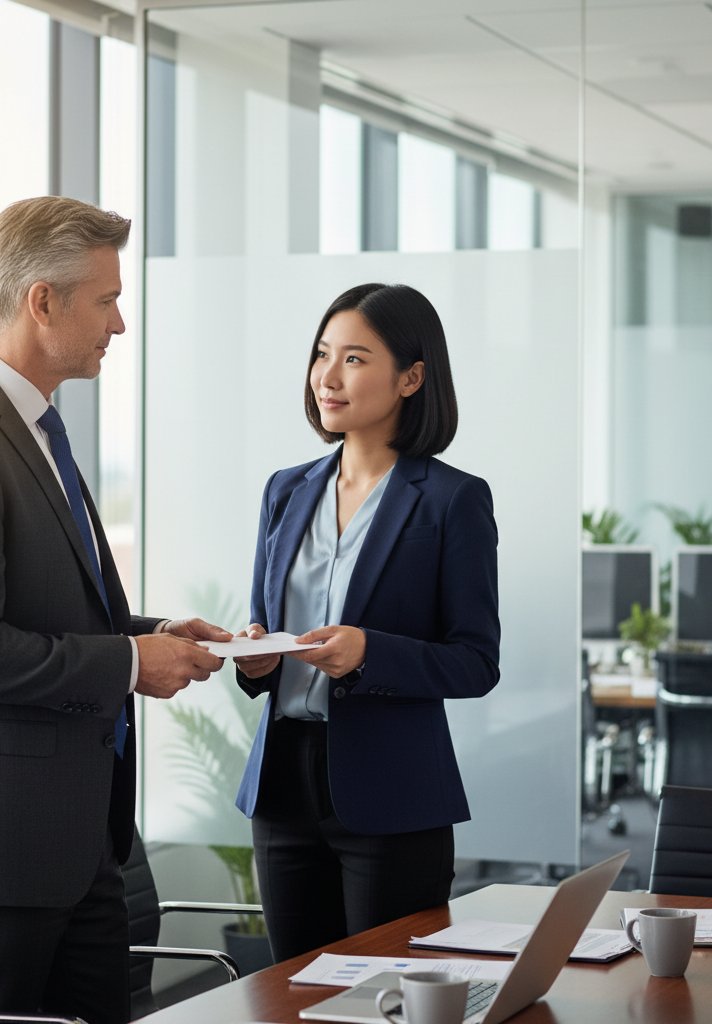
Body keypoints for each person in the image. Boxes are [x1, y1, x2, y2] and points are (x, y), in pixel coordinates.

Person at [0, 196, 231, 1024]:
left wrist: (152, 636)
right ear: (43, 301)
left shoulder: (37, 428)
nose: (118, 324)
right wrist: (127, 664)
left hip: (79, 847)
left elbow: (46, 608)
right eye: (105, 300)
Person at [231, 282, 500, 962]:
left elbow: (475, 661)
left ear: (412, 377)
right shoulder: (284, 489)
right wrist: (257, 659)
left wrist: (368, 652)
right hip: (284, 787)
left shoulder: (451, 500)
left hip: (393, 792)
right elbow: (267, 626)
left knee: (385, 994)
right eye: (322, 354)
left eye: (354, 358)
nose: (326, 376)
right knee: (293, 992)